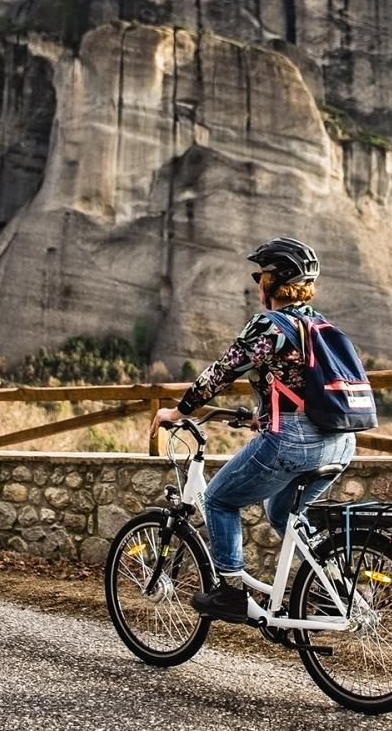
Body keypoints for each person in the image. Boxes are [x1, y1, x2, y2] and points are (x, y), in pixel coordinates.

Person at [153, 237, 357, 622]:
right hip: (342, 442)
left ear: (275, 281)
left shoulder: (270, 325)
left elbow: (223, 371)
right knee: (282, 513)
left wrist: (179, 411)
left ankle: (231, 593)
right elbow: (300, 387)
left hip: (294, 443)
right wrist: (258, 417)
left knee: (218, 500)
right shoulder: (318, 325)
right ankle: (331, 588)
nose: (256, 282)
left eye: (260, 274)